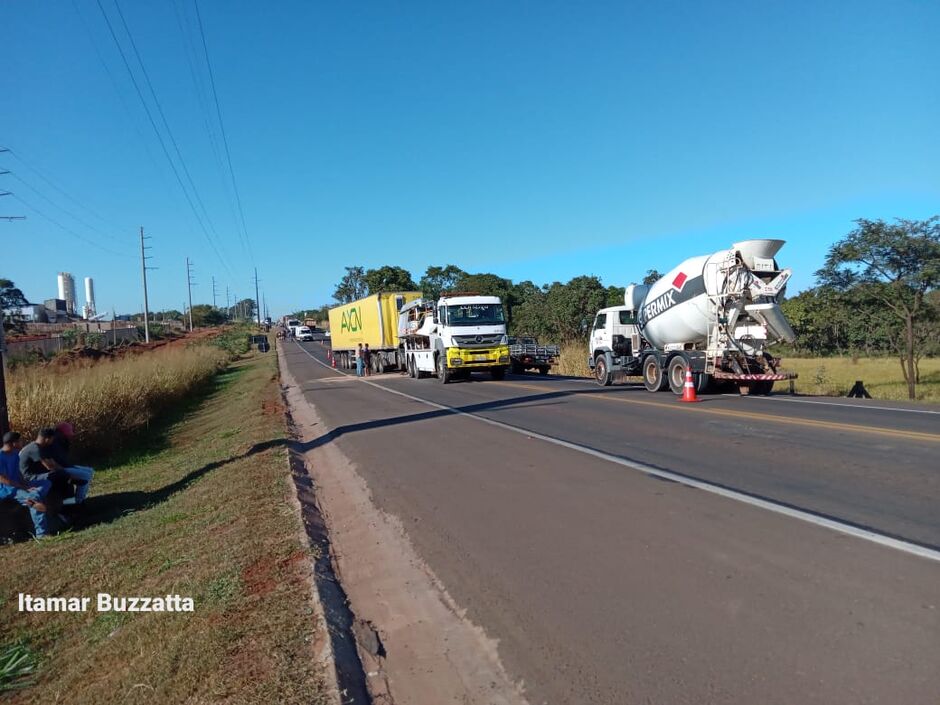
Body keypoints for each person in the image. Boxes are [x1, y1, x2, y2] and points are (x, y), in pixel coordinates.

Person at [1, 431, 50, 538]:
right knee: (34, 497)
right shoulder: (0, 457)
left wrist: (26, 485)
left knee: (46, 482)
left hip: (18, 485)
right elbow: (4, 480)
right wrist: (24, 488)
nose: (22, 443)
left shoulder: (15, 454)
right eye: (20, 441)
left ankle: (34, 495)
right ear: (13, 443)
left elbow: (18, 473)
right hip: (8, 489)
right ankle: (42, 533)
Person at [50, 422, 94, 505]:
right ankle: (79, 501)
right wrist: (71, 468)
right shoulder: (55, 442)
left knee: (90, 471)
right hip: (59, 468)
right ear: (64, 433)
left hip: (64, 466)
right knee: (86, 475)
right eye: (68, 434)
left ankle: (82, 497)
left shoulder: (61, 441)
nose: (70, 436)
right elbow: (58, 461)